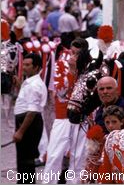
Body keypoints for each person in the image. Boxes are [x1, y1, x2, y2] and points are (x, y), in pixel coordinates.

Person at [42, 38, 89, 184]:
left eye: (78, 54)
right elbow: (60, 92)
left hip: (82, 118)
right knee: (54, 155)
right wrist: (71, 71)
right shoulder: (61, 64)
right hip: (63, 116)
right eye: (72, 52)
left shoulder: (89, 67)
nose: (73, 56)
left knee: (77, 158)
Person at [13, 53, 48, 184]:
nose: (24, 67)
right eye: (25, 64)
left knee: (26, 161)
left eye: (28, 65)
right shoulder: (30, 83)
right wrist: (19, 85)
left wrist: (20, 131)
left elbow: (32, 111)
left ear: (36, 67)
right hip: (26, 121)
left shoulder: (35, 85)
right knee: (23, 159)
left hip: (29, 123)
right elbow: (26, 100)